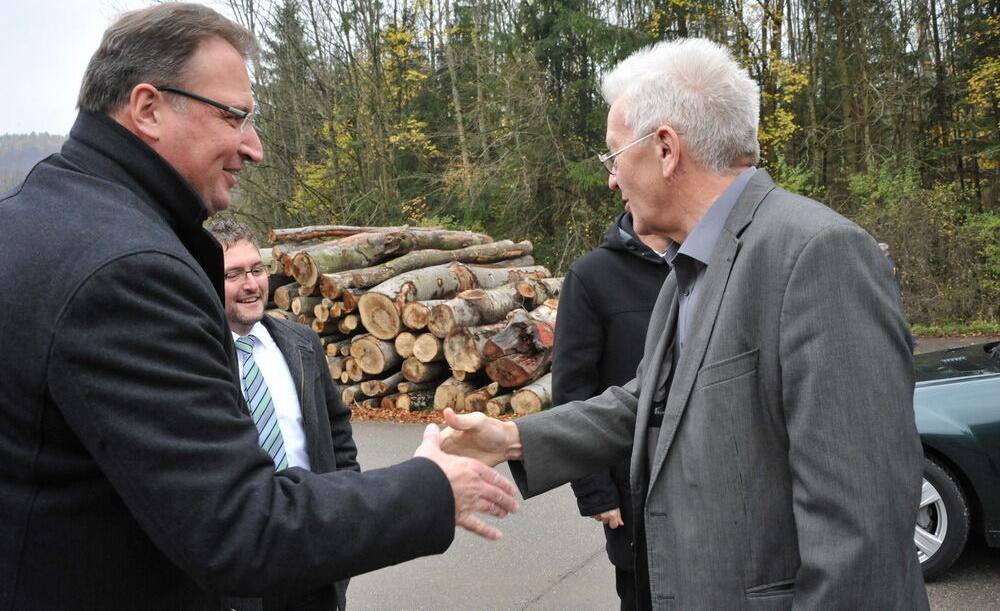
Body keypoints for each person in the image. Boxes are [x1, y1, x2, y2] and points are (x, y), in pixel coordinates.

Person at [0, 2, 517, 611]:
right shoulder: (128, 269)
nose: (255, 147)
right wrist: (430, 488)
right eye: (236, 117)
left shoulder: (32, 218)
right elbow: (240, 529)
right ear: (148, 108)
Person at [440, 37, 929, 611]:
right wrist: (514, 438)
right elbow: (646, 401)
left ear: (666, 149)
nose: (612, 180)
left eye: (614, 155)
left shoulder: (815, 254)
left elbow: (862, 526)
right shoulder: (686, 269)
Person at [208, 219, 361, 611]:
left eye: (256, 270)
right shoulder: (195, 360)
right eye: (232, 274)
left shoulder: (301, 342)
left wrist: (343, 508)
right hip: (242, 559)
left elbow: (337, 433)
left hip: (315, 547)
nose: (251, 284)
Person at [551, 211, 669, 611]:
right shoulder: (592, 275)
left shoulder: (712, 262)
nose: (614, 182)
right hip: (633, 488)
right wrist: (595, 490)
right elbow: (573, 391)